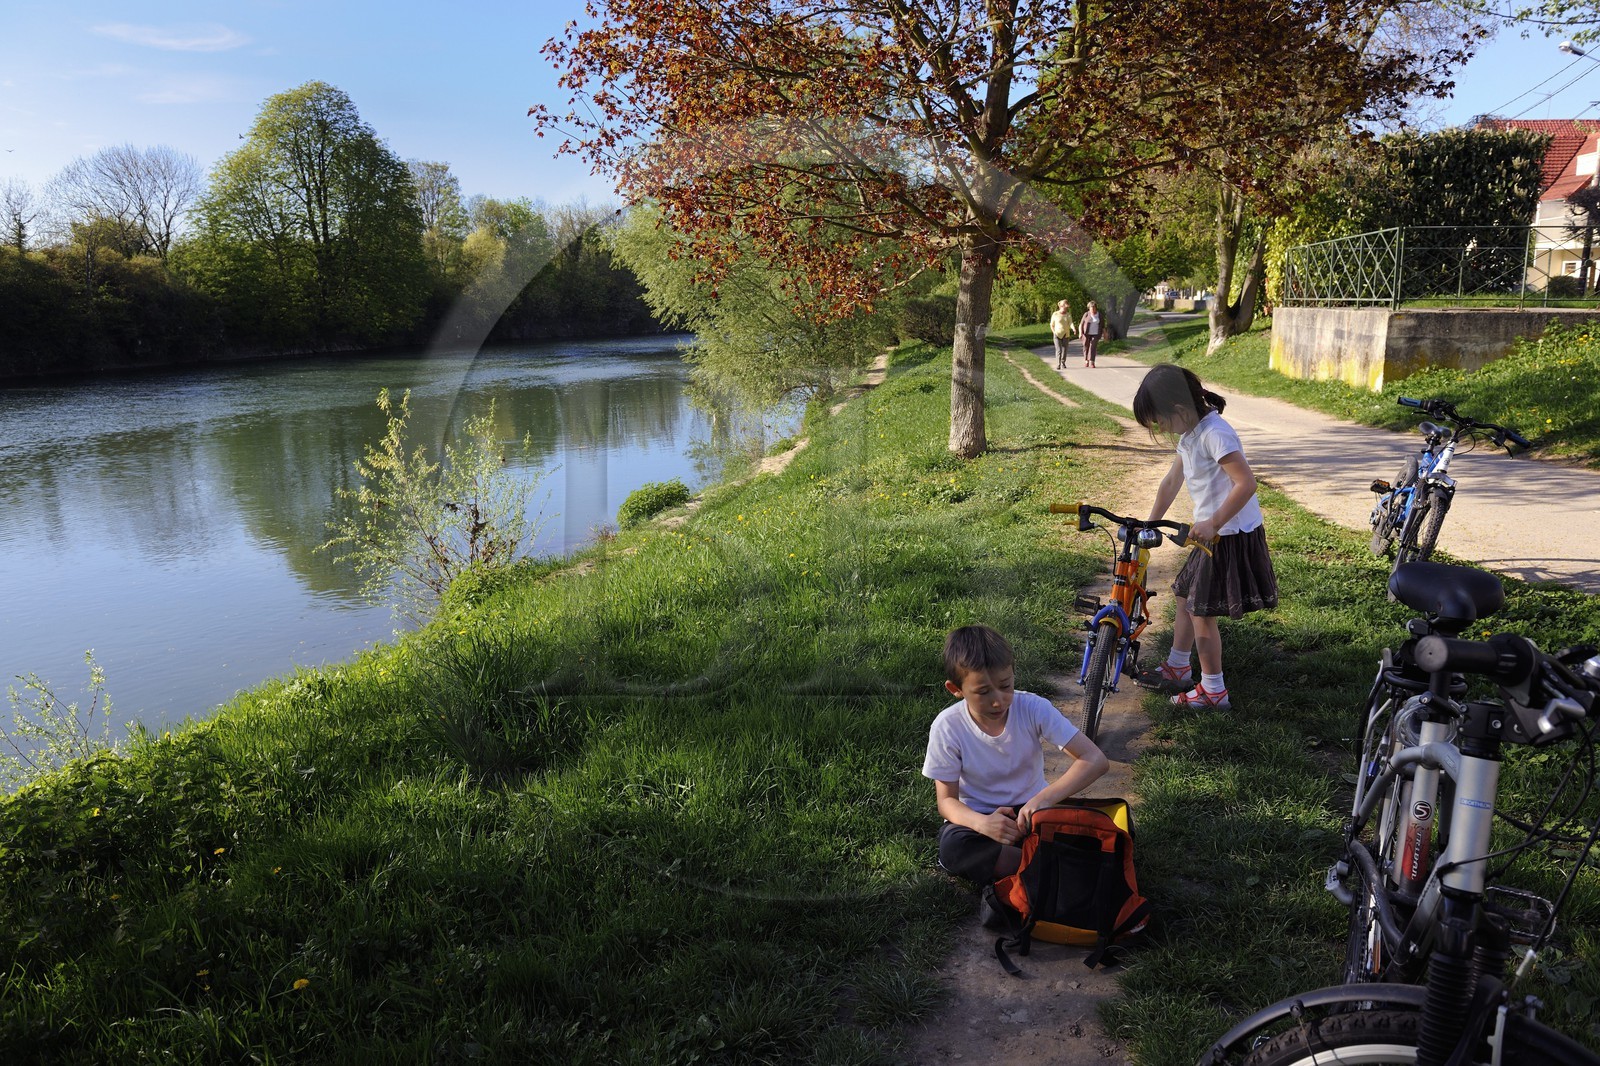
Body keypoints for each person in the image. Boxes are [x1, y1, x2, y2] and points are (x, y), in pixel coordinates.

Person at [1131, 364, 1277, 710]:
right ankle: (1179, 666)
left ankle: (1214, 690)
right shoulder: (1190, 434)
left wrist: (1213, 522)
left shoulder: (1215, 433)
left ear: (1180, 410)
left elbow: (1246, 483)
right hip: (1213, 533)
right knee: (1185, 596)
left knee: (1201, 612)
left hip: (1227, 534)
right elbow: (1171, 482)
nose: (1160, 430)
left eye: (1160, 423)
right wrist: (1150, 523)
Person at [924, 625, 1110, 886]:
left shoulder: (1033, 708)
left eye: (1005, 686)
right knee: (953, 846)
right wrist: (984, 824)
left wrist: (1042, 799)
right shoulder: (947, 726)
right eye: (983, 692)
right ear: (956, 689)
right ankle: (1047, 865)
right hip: (977, 821)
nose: (998, 700)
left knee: (1089, 831)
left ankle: (1029, 865)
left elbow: (1095, 760)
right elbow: (947, 803)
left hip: (1033, 812)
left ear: (1013, 674)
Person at [1048, 299, 1074, 369]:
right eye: (1065, 307)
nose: (1066, 308)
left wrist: (1073, 328)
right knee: (1059, 350)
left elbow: (1070, 323)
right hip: (1057, 334)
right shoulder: (1055, 314)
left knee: (1065, 350)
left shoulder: (1068, 315)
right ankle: (1058, 364)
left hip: (1066, 334)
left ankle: (1063, 362)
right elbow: (1052, 325)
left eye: (1066, 307)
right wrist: (1054, 332)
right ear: (1061, 306)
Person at [1078, 301, 1104, 367]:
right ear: (1089, 308)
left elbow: (1102, 325)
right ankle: (1086, 360)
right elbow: (1081, 324)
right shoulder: (1086, 314)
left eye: (1093, 308)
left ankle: (1092, 362)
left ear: (1096, 308)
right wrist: (1080, 333)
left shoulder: (1099, 315)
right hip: (1086, 333)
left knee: (1093, 347)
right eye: (1091, 308)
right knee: (1086, 346)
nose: (1092, 310)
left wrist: (1105, 333)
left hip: (1096, 333)